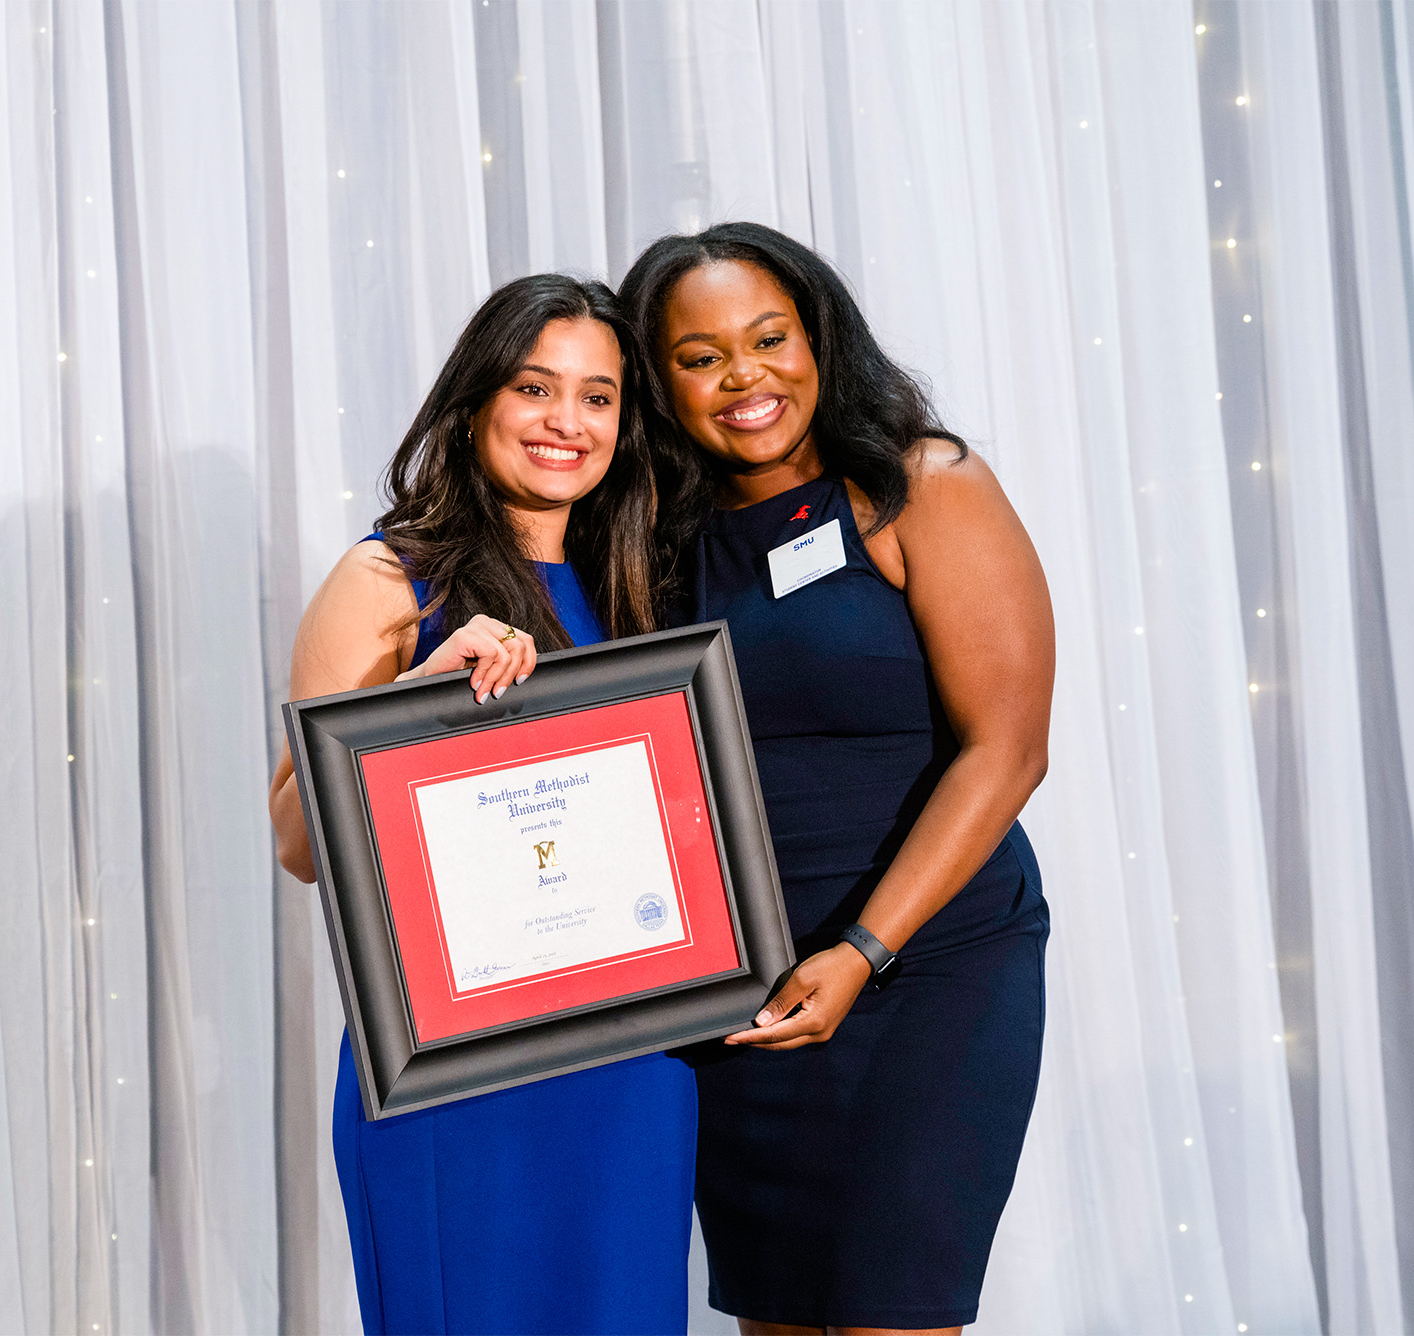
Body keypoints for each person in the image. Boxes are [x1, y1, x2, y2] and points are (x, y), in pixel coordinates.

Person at [619, 223, 1056, 1335]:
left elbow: (1006, 749)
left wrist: (863, 951)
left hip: (926, 974)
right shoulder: (652, 541)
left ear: (819, 337)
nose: (744, 376)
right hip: (747, 1005)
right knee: (781, 1319)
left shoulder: (921, 486)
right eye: (699, 355)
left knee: (890, 1314)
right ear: (657, 382)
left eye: (769, 337)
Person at [267, 274, 691, 1335]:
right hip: (453, 1076)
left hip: (630, 1069)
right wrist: (414, 706)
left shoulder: (643, 591)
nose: (567, 422)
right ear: (474, 407)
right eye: (535, 387)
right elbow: (294, 842)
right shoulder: (387, 578)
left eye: (599, 398)